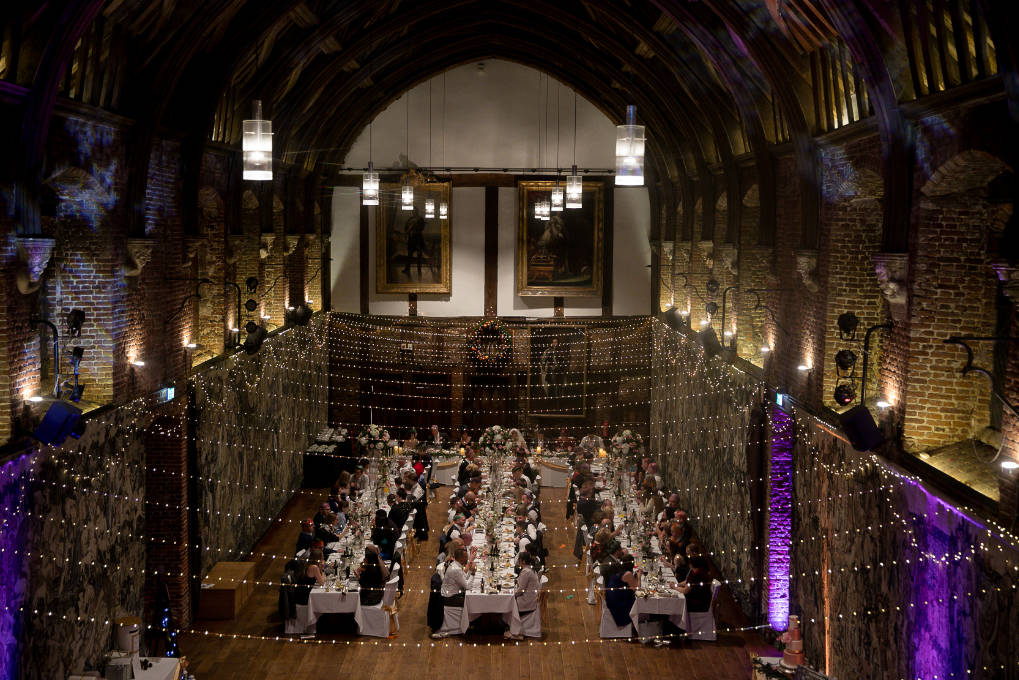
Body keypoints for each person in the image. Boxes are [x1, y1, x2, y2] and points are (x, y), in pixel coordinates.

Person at [433, 546, 476, 638]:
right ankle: (469, 625)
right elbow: (467, 586)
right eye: (466, 557)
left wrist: (470, 570)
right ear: (461, 559)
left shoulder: (455, 565)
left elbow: (463, 577)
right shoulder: (456, 569)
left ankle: (471, 622)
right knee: (472, 600)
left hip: (448, 595)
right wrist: (472, 573)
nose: (467, 558)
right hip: (449, 598)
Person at [505, 552, 539, 640]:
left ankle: (515, 631)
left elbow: (520, 590)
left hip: (527, 600)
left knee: (507, 603)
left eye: (519, 560)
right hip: (530, 597)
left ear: (523, 561)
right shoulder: (529, 569)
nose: (518, 562)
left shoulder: (526, 572)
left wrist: (510, 594)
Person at [604, 553, 638, 629]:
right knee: (639, 602)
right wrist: (639, 575)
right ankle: (639, 625)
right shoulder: (628, 574)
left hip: (611, 600)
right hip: (619, 605)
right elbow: (636, 588)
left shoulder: (618, 569)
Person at [401, 207, 427, 275]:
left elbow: (422, 228)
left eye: (415, 211)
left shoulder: (420, 219)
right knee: (409, 254)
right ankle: (407, 268)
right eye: (413, 211)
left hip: (418, 239)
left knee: (419, 255)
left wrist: (416, 230)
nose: (414, 212)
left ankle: (419, 270)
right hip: (411, 239)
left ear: (417, 211)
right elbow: (406, 227)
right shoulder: (410, 219)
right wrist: (407, 232)